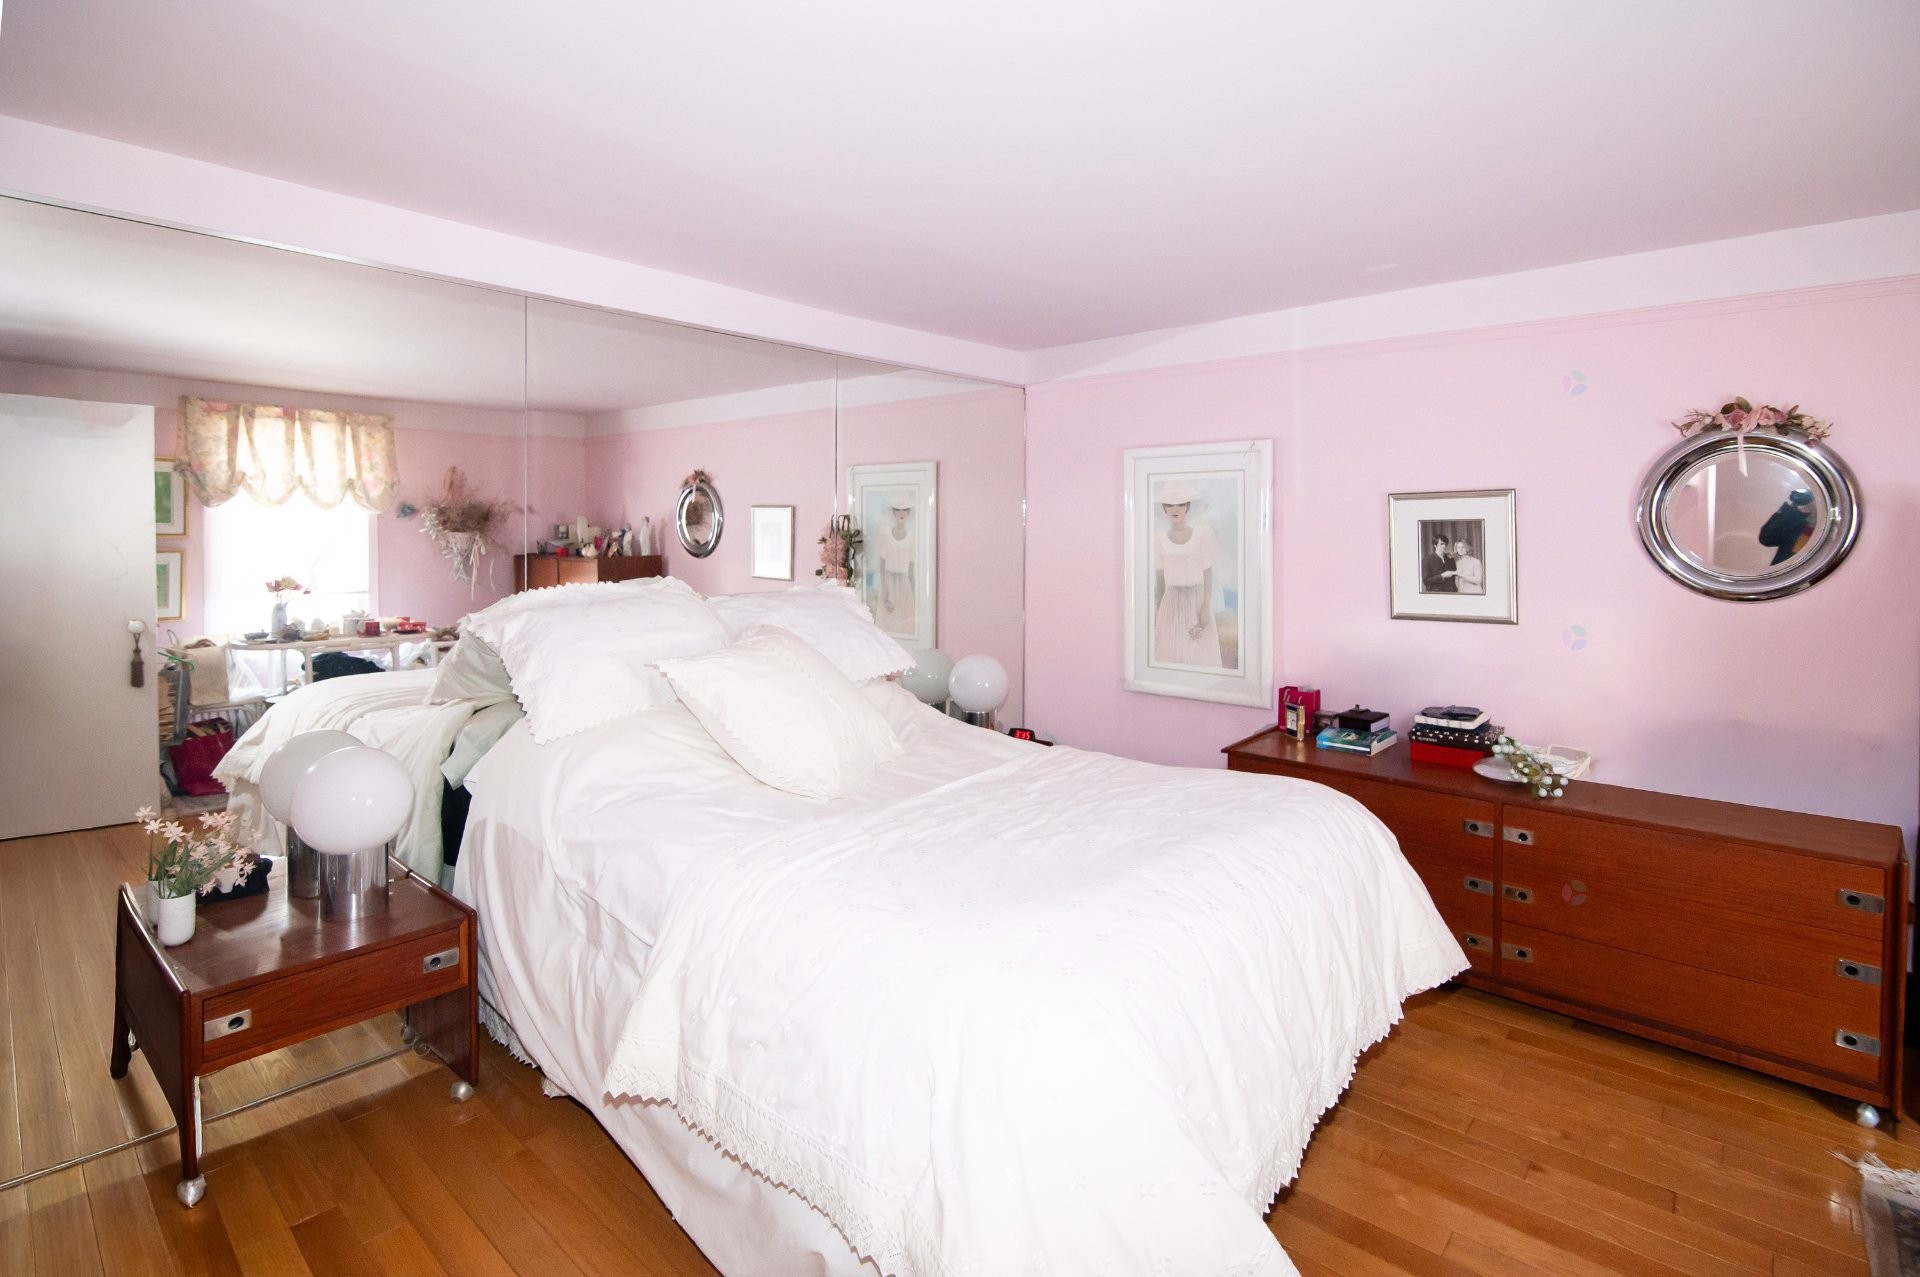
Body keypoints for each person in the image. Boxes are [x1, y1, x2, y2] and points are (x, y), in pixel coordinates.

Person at [1151, 480, 1223, 667]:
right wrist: (1160, 611)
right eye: (1169, 504)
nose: (1175, 509)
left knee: (1198, 655)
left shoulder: (1203, 534)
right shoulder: (1158, 539)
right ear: (1164, 509)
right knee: (1170, 654)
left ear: (1188, 507)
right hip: (1171, 603)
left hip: (1196, 601)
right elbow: (1160, 580)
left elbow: (1208, 574)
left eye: (1180, 504)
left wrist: (1206, 607)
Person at [875, 498, 916, 636]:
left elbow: (911, 569)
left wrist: (914, 592)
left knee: (905, 624)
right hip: (889, 582)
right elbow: (881, 565)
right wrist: (886, 592)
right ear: (893, 512)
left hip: (904, 584)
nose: (901, 513)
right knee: (887, 625)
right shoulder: (885, 533)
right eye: (898, 509)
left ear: (909, 512)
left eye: (905, 509)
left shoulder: (911, 536)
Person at [1758, 488, 1815, 565]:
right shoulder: (1797, 511)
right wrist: (1799, 512)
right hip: (1786, 569)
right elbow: (1767, 538)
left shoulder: (1831, 524)